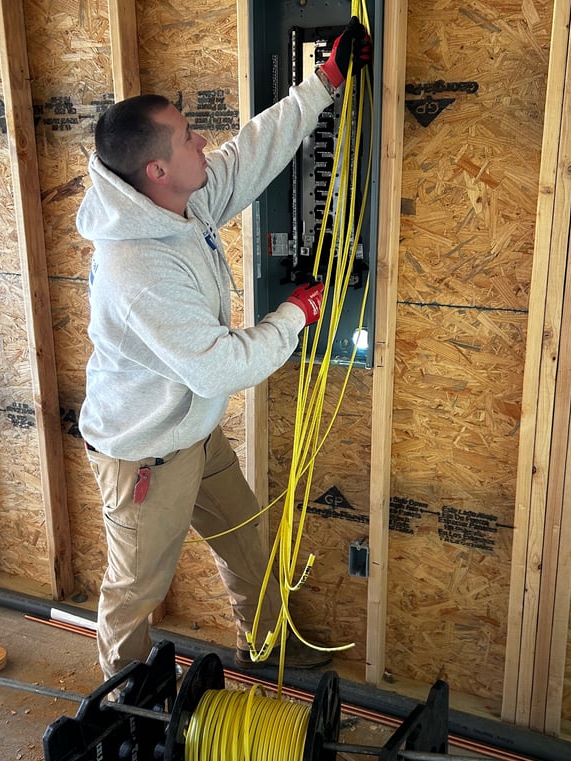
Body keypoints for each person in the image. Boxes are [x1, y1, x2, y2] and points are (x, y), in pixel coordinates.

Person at [76, 17, 372, 681]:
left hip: (193, 432)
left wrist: (323, 84)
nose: (202, 139)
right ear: (157, 169)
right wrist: (296, 314)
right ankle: (124, 701)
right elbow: (220, 366)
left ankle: (266, 649)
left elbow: (250, 155)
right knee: (136, 588)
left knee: (246, 544)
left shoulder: (179, 199)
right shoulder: (139, 269)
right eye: (188, 136)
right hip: (146, 452)